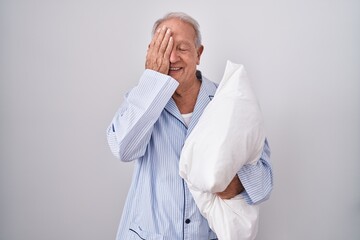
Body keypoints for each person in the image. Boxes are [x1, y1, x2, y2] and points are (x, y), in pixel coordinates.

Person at [106, 12, 273, 240]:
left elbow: (264, 181)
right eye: (164, 48)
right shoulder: (140, 100)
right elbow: (123, 149)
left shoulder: (229, 102)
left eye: (182, 48)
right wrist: (152, 78)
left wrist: (229, 183)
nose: (172, 58)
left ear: (199, 53)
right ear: (152, 52)